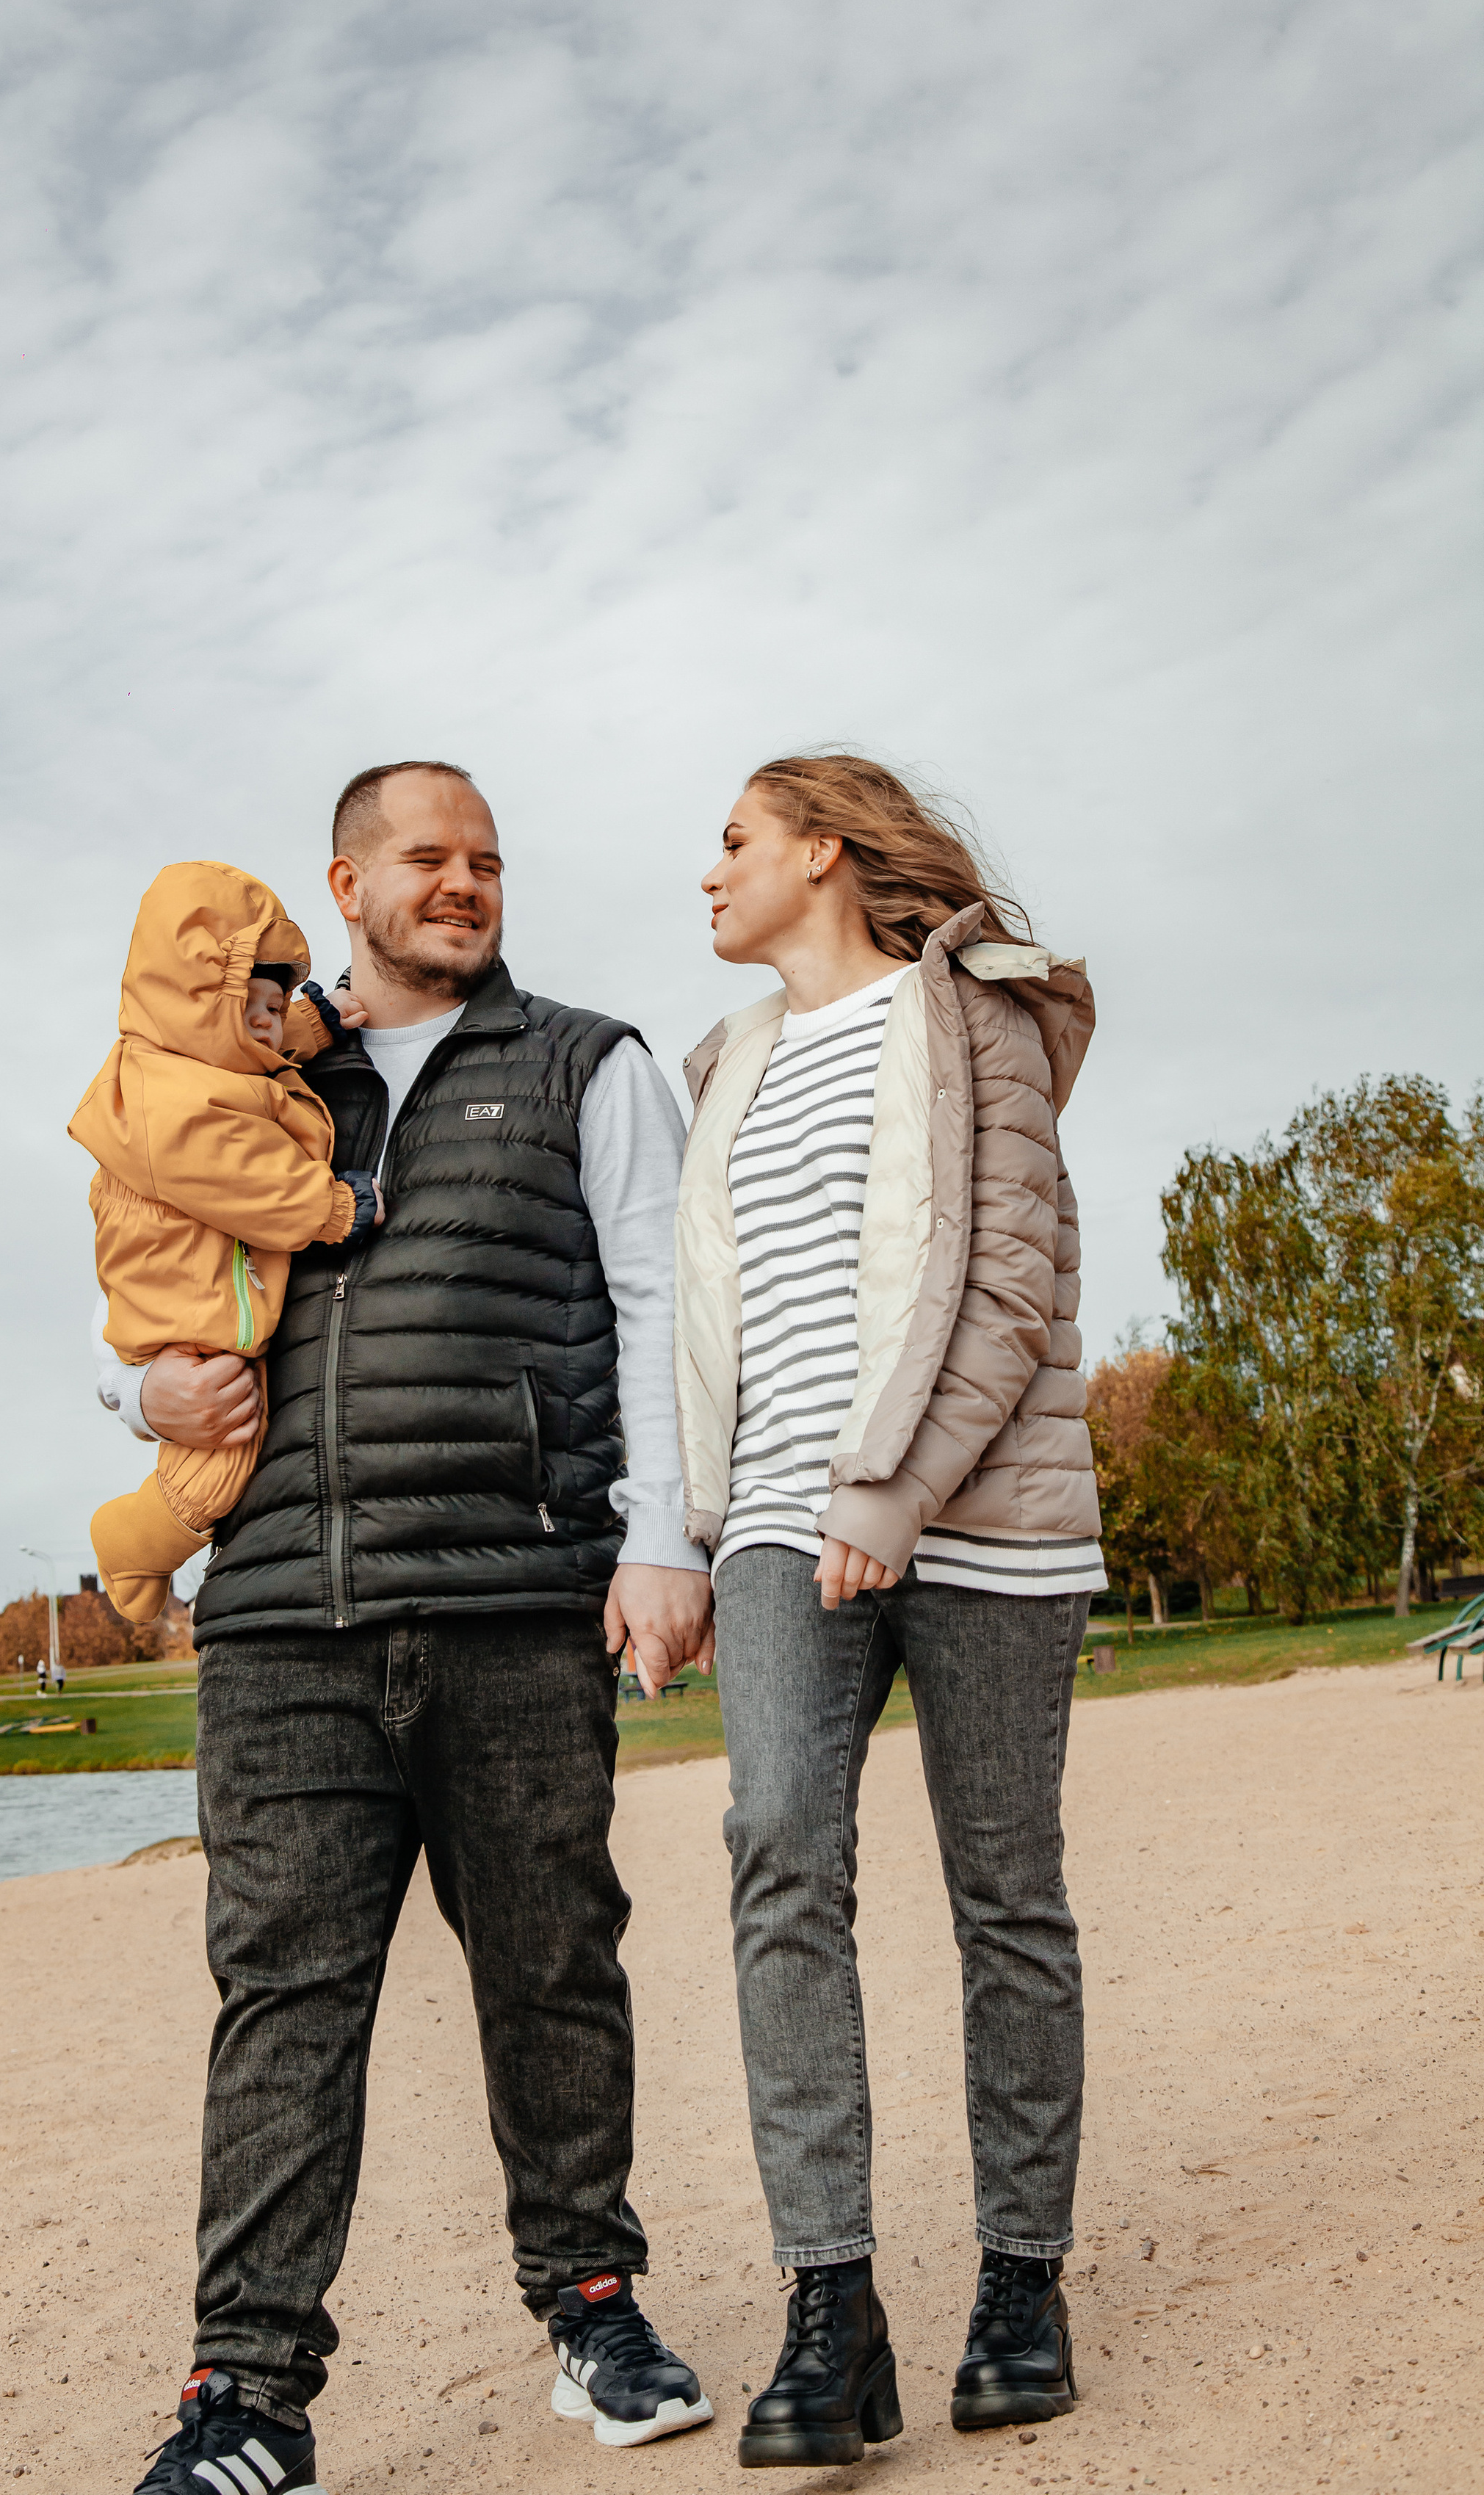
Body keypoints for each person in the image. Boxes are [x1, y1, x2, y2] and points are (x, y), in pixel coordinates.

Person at [90, 762, 716, 2495]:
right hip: (279, 1620)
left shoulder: (584, 1063)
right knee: (283, 2001)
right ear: (344, 885)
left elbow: (662, 1301)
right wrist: (132, 1384)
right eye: (427, 858)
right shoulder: (246, 1075)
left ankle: (593, 2306)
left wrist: (662, 1541)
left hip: (516, 1598)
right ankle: (246, 2399)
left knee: (550, 1965)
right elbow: (141, 1276)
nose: (464, 881)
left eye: (487, 859)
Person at [673, 751, 1101, 2468]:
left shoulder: (971, 1016)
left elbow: (1007, 1278)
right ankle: (828, 2302)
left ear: (819, 850)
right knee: (776, 1843)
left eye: (730, 842)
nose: (704, 875)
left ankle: (1019, 2280)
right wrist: (676, 1536)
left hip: (979, 1516)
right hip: (774, 1521)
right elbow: (700, 1319)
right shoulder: (726, 1064)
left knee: (1003, 1884)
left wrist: (895, 1491)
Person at [68, 859, 383, 1622]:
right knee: (223, 1451)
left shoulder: (192, 1064)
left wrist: (314, 1019)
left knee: (218, 1434)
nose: (272, 1025)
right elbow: (255, 1181)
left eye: (280, 1006)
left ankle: (142, 1539)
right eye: (255, 1006)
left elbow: (257, 1052)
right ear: (204, 1003)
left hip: (183, 1285)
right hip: (187, 1309)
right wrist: (338, 1208)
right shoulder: (175, 1104)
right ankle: (134, 1542)